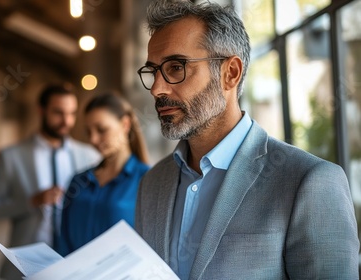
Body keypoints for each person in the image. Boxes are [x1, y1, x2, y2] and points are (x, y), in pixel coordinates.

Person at [134, 1, 359, 279]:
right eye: (153, 71)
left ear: (230, 73)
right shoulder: (152, 184)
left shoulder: (309, 181)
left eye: (176, 67)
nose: (157, 88)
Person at [0, 83, 101, 280]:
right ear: (41, 111)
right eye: (58, 113)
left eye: (72, 113)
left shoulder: (89, 157)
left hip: (76, 264)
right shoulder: (11, 157)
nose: (66, 121)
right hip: (26, 266)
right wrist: (30, 202)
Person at [57, 93, 150, 256]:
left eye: (101, 130)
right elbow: (63, 240)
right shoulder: (78, 181)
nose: (93, 139)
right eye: (88, 131)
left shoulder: (148, 180)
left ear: (125, 124)